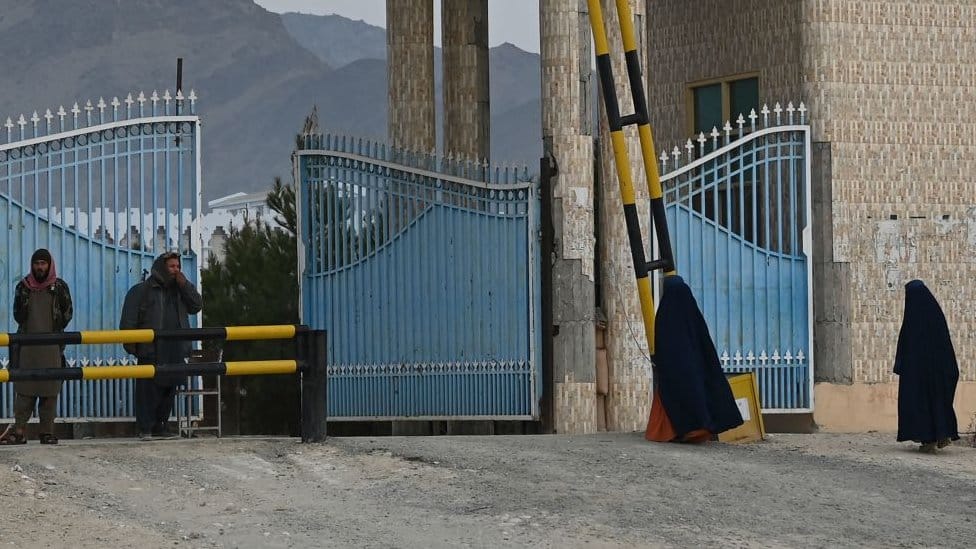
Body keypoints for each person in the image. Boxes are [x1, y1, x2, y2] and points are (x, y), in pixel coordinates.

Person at [645, 275, 743, 442]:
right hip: (695, 366)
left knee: (673, 398)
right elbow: (703, 340)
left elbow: (661, 343)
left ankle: (682, 430)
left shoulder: (664, 313)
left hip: (673, 368)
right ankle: (699, 428)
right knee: (696, 394)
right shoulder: (691, 311)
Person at [119, 251, 202, 440]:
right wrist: (133, 346)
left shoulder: (180, 291)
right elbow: (129, 320)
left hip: (175, 348)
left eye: (178, 267)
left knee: (169, 389)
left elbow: (196, 305)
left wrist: (185, 284)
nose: (176, 270)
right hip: (151, 349)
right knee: (148, 391)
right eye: (172, 266)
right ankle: (145, 428)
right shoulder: (141, 291)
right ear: (162, 268)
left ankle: (161, 426)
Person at [0, 249, 73, 445]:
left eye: (43, 263)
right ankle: (19, 431)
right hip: (27, 346)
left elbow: (67, 313)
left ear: (49, 265)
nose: (40, 267)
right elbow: (17, 314)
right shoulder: (23, 287)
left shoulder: (59, 287)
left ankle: (46, 432)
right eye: (37, 263)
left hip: (52, 346)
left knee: (50, 391)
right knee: (24, 390)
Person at [894, 279, 959, 453]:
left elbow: (906, 345)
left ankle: (928, 438)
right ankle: (940, 434)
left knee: (920, 403)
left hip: (917, 373)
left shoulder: (913, 319)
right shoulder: (936, 315)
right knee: (936, 401)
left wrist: (901, 365)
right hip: (938, 371)